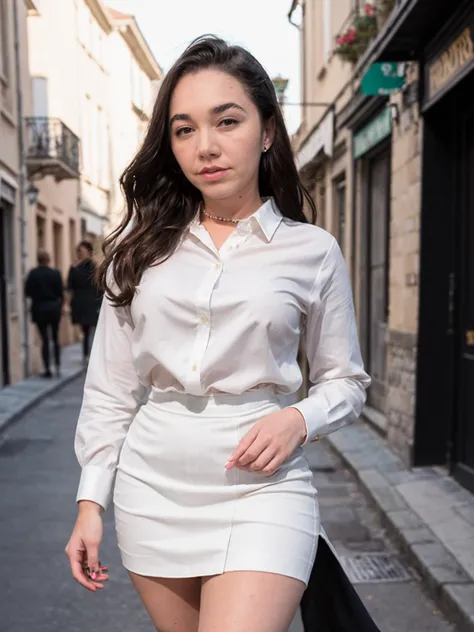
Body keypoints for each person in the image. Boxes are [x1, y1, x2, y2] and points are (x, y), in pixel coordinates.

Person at [65, 36, 371, 632]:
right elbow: (110, 390)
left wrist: (298, 419)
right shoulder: (139, 251)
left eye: (226, 121)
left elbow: (347, 380)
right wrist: (90, 503)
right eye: (183, 130)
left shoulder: (312, 251)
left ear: (266, 131)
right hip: (152, 491)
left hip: (263, 489)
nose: (205, 146)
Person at [25, 250, 63, 378]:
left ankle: (47, 368)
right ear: (48, 260)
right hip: (53, 308)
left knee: (45, 339)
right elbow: (60, 293)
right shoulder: (55, 274)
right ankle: (57, 365)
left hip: (39, 308)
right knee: (55, 338)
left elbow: (27, 292)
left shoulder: (33, 274)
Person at [67, 241, 102, 364]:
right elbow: (70, 286)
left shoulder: (94, 267)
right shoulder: (75, 268)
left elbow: (100, 287)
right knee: (85, 331)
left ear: (89, 252)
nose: (79, 254)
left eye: (81, 251)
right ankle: (86, 355)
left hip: (93, 303)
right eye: (78, 252)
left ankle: (94, 354)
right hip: (81, 304)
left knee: (95, 331)